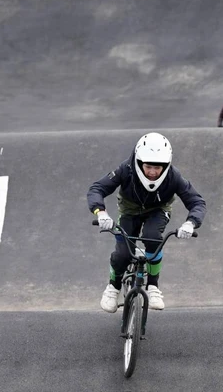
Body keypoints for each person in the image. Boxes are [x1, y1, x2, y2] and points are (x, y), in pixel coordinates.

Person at [87, 132, 206, 313]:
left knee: (153, 238)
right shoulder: (126, 169)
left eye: (157, 168)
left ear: (166, 165)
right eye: (148, 166)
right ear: (139, 162)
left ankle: (153, 287)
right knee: (123, 253)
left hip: (158, 211)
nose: (152, 172)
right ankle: (113, 287)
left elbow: (197, 201)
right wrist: (100, 212)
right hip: (129, 211)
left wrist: (191, 223)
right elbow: (98, 188)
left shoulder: (174, 176)